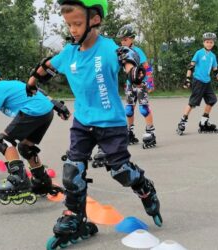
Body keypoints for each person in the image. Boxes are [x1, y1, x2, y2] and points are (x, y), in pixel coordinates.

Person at [26, 0, 162, 248]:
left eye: (77, 23)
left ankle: (144, 187)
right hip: (83, 122)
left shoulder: (108, 48)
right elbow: (48, 65)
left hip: (111, 123)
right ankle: (74, 217)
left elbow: (126, 57)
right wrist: (34, 79)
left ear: (95, 20)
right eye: (69, 25)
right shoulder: (69, 53)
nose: (73, 30)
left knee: (120, 171)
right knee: (72, 171)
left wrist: (133, 71)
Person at [0, 61, 68, 205]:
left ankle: (19, 178)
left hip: (33, 111)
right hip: (46, 112)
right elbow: (38, 90)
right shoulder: (11, 83)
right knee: (26, 147)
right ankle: (42, 181)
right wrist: (58, 106)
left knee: (4, 140)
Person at [176, 32, 218, 135]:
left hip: (207, 82)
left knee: (212, 100)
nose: (209, 44)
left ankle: (203, 122)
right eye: (207, 42)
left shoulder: (213, 56)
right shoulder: (199, 53)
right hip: (198, 81)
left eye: (211, 42)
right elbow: (191, 66)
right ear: (204, 43)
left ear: (213, 43)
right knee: (192, 103)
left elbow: (216, 71)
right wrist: (187, 79)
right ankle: (182, 122)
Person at [117, 24, 156, 149]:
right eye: (121, 40)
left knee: (144, 109)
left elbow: (147, 67)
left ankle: (150, 132)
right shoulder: (120, 52)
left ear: (132, 38)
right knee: (128, 110)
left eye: (125, 39)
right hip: (129, 85)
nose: (123, 42)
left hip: (141, 83)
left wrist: (150, 82)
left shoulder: (137, 51)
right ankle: (130, 132)